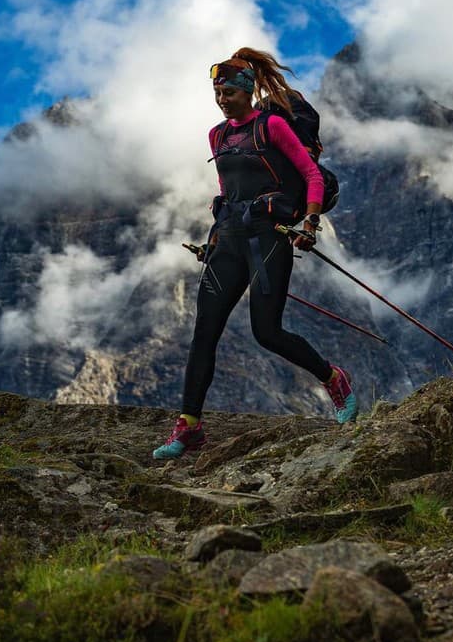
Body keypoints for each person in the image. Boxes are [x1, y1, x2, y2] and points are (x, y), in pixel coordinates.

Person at [153, 47, 357, 460]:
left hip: (269, 238)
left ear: (246, 91)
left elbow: (311, 175)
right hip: (228, 239)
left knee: (267, 332)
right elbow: (230, 193)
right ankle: (190, 425)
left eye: (228, 92)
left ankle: (334, 379)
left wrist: (311, 224)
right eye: (217, 93)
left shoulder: (273, 127)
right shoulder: (218, 136)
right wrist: (214, 236)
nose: (221, 99)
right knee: (204, 331)